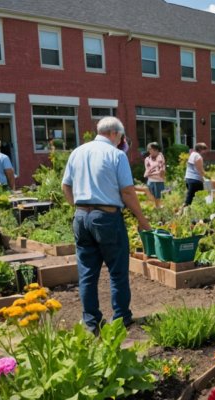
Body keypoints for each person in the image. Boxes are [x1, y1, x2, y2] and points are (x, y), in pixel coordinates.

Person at [61, 117, 151, 334]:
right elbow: (128, 192)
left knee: (87, 273)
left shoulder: (78, 152)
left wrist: (81, 208)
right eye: (120, 137)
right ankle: (121, 318)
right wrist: (142, 220)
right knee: (117, 271)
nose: (121, 141)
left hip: (81, 217)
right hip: (107, 217)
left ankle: (92, 322)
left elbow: (66, 186)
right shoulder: (116, 154)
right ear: (114, 133)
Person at [183, 143, 208, 208]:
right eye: (204, 149)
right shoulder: (198, 157)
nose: (205, 151)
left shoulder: (192, 154)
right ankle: (180, 212)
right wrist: (207, 176)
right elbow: (200, 170)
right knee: (205, 196)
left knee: (191, 198)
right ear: (200, 149)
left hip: (188, 179)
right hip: (195, 180)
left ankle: (187, 213)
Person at [143, 142, 166, 208]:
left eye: (151, 149)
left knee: (158, 197)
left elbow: (161, 170)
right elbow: (148, 170)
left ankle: (158, 210)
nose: (149, 150)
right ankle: (156, 209)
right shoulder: (147, 159)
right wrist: (154, 172)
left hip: (158, 180)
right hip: (150, 180)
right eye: (149, 149)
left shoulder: (160, 156)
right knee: (151, 197)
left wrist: (152, 172)